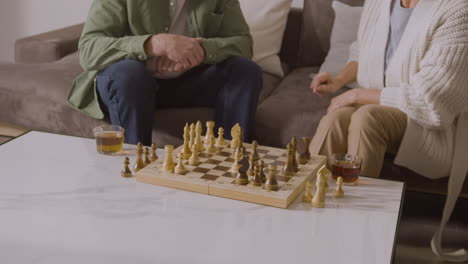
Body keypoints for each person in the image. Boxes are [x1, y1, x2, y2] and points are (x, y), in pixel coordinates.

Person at [309, 0, 468, 261]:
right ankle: (310, 220)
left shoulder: (457, 10)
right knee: (335, 119)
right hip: (382, 104)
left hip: (428, 122)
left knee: (366, 118)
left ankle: (356, 238)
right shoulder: (380, 2)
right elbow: (364, 52)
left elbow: (432, 101)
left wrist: (358, 94)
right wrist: (339, 80)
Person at [68, 0, 262, 146]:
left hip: (188, 81)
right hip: (131, 84)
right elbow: (88, 49)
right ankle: (137, 165)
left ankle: (232, 162)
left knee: (244, 70)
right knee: (130, 74)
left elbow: (244, 44)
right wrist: (152, 44)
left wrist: (200, 51)